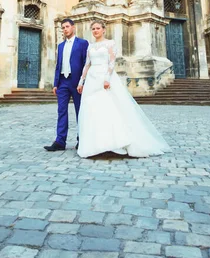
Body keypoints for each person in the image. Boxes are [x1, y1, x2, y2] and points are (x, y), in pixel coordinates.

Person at [76, 20, 171, 158]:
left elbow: (112, 62)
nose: (95, 31)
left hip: (104, 77)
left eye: (98, 28)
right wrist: (81, 81)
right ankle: (96, 145)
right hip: (91, 79)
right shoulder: (90, 46)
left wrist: (107, 78)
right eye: (93, 29)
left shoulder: (110, 43)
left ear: (104, 30)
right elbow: (87, 65)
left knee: (108, 108)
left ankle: (114, 142)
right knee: (92, 109)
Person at [44, 18, 89, 152]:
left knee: (80, 112)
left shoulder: (82, 43)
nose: (65, 29)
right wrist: (55, 83)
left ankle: (82, 139)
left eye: (67, 27)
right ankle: (60, 141)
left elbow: (86, 64)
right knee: (61, 111)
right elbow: (58, 65)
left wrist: (83, 82)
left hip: (77, 83)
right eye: (63, 27)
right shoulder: (60, 46)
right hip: (63, 82)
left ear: (73, 27)